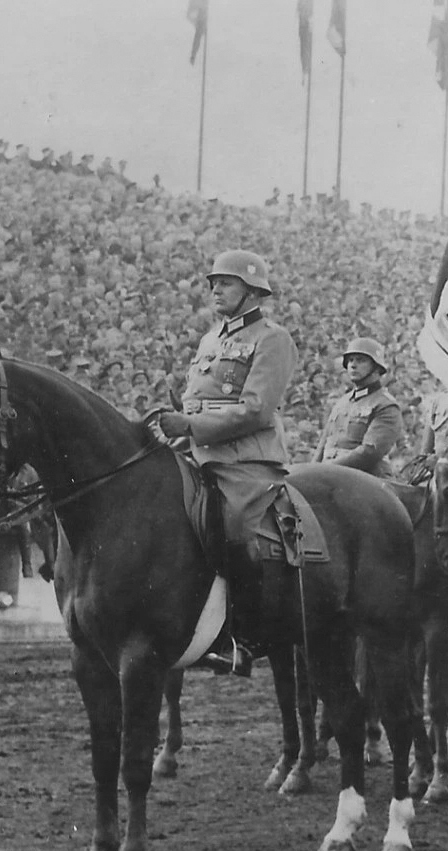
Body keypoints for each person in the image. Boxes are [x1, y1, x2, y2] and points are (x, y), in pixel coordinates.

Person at [157, 249, 298, 676]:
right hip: (196, 450)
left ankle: (242, 638)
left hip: (245, 459)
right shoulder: (211, 339)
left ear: (252, 291)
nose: (215, 289)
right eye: (213, 282)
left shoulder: (272, 338)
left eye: (226, 282)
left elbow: (256, 409)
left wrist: (191, 425)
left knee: (234, 528)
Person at [312, 336, 404, 477]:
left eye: (360, 360)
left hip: (365, 479)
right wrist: (311, 471)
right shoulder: (342, 402)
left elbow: (369, 452)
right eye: (350, 360)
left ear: (376, 367)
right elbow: (323, 445)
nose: (353, 365)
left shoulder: (386, 405)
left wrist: (327, 469)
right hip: (329, 476)